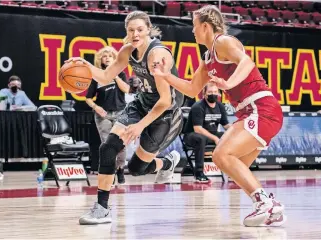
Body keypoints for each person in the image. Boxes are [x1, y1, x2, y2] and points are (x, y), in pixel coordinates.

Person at [153, 5, 286, 227]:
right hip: (249, 112)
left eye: (194, 26)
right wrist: (165, 76)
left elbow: (247, 62)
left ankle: (266, 204)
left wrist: (230, 83)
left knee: (221, 155)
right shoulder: (207, 57)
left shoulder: (223, 42)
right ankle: (271, 207)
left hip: (261, 108)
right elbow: (192, 88)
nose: (192, 31)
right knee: (235, 167)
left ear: (205, 26)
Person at [67, 10, 184, 225]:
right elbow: (104, 75)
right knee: (108, 147)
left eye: (140, 29)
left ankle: (167, 164)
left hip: (165, 113)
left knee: (137, 169)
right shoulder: (127, 50)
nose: (135, 34)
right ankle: (102, 208)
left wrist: (139, 126)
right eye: (131, 30)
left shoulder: (157, 55)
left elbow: (166, 100)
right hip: (143, 103)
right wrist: (84, 65)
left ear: (148, 29)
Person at [85, 46, 130, 184]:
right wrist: (95, 107)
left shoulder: (121, 74)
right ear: (101, 60)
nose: (107, 58)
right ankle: (109, 173)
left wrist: (114, 75)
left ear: (114, 58)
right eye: (104, 56)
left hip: (120, 112)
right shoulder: (97, 77)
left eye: (110, 56)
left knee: (122, 143)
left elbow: (127, 89)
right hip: (103, 114)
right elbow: (88, 98)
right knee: (107, 144)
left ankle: (120, 169)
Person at [183, 82, 231, 183]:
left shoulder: (220, 106)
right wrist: (215, 139)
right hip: (192, 135)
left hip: (211, 134)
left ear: (218, 94)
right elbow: (198, 129)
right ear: (204, 94)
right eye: (210, 92)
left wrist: (236, 130)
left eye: (215, 92)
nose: (213, 94)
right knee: (201, 138)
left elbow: (226, 125)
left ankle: (233, 170)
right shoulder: (198, 106)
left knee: (231, 137)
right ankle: (199, 173)